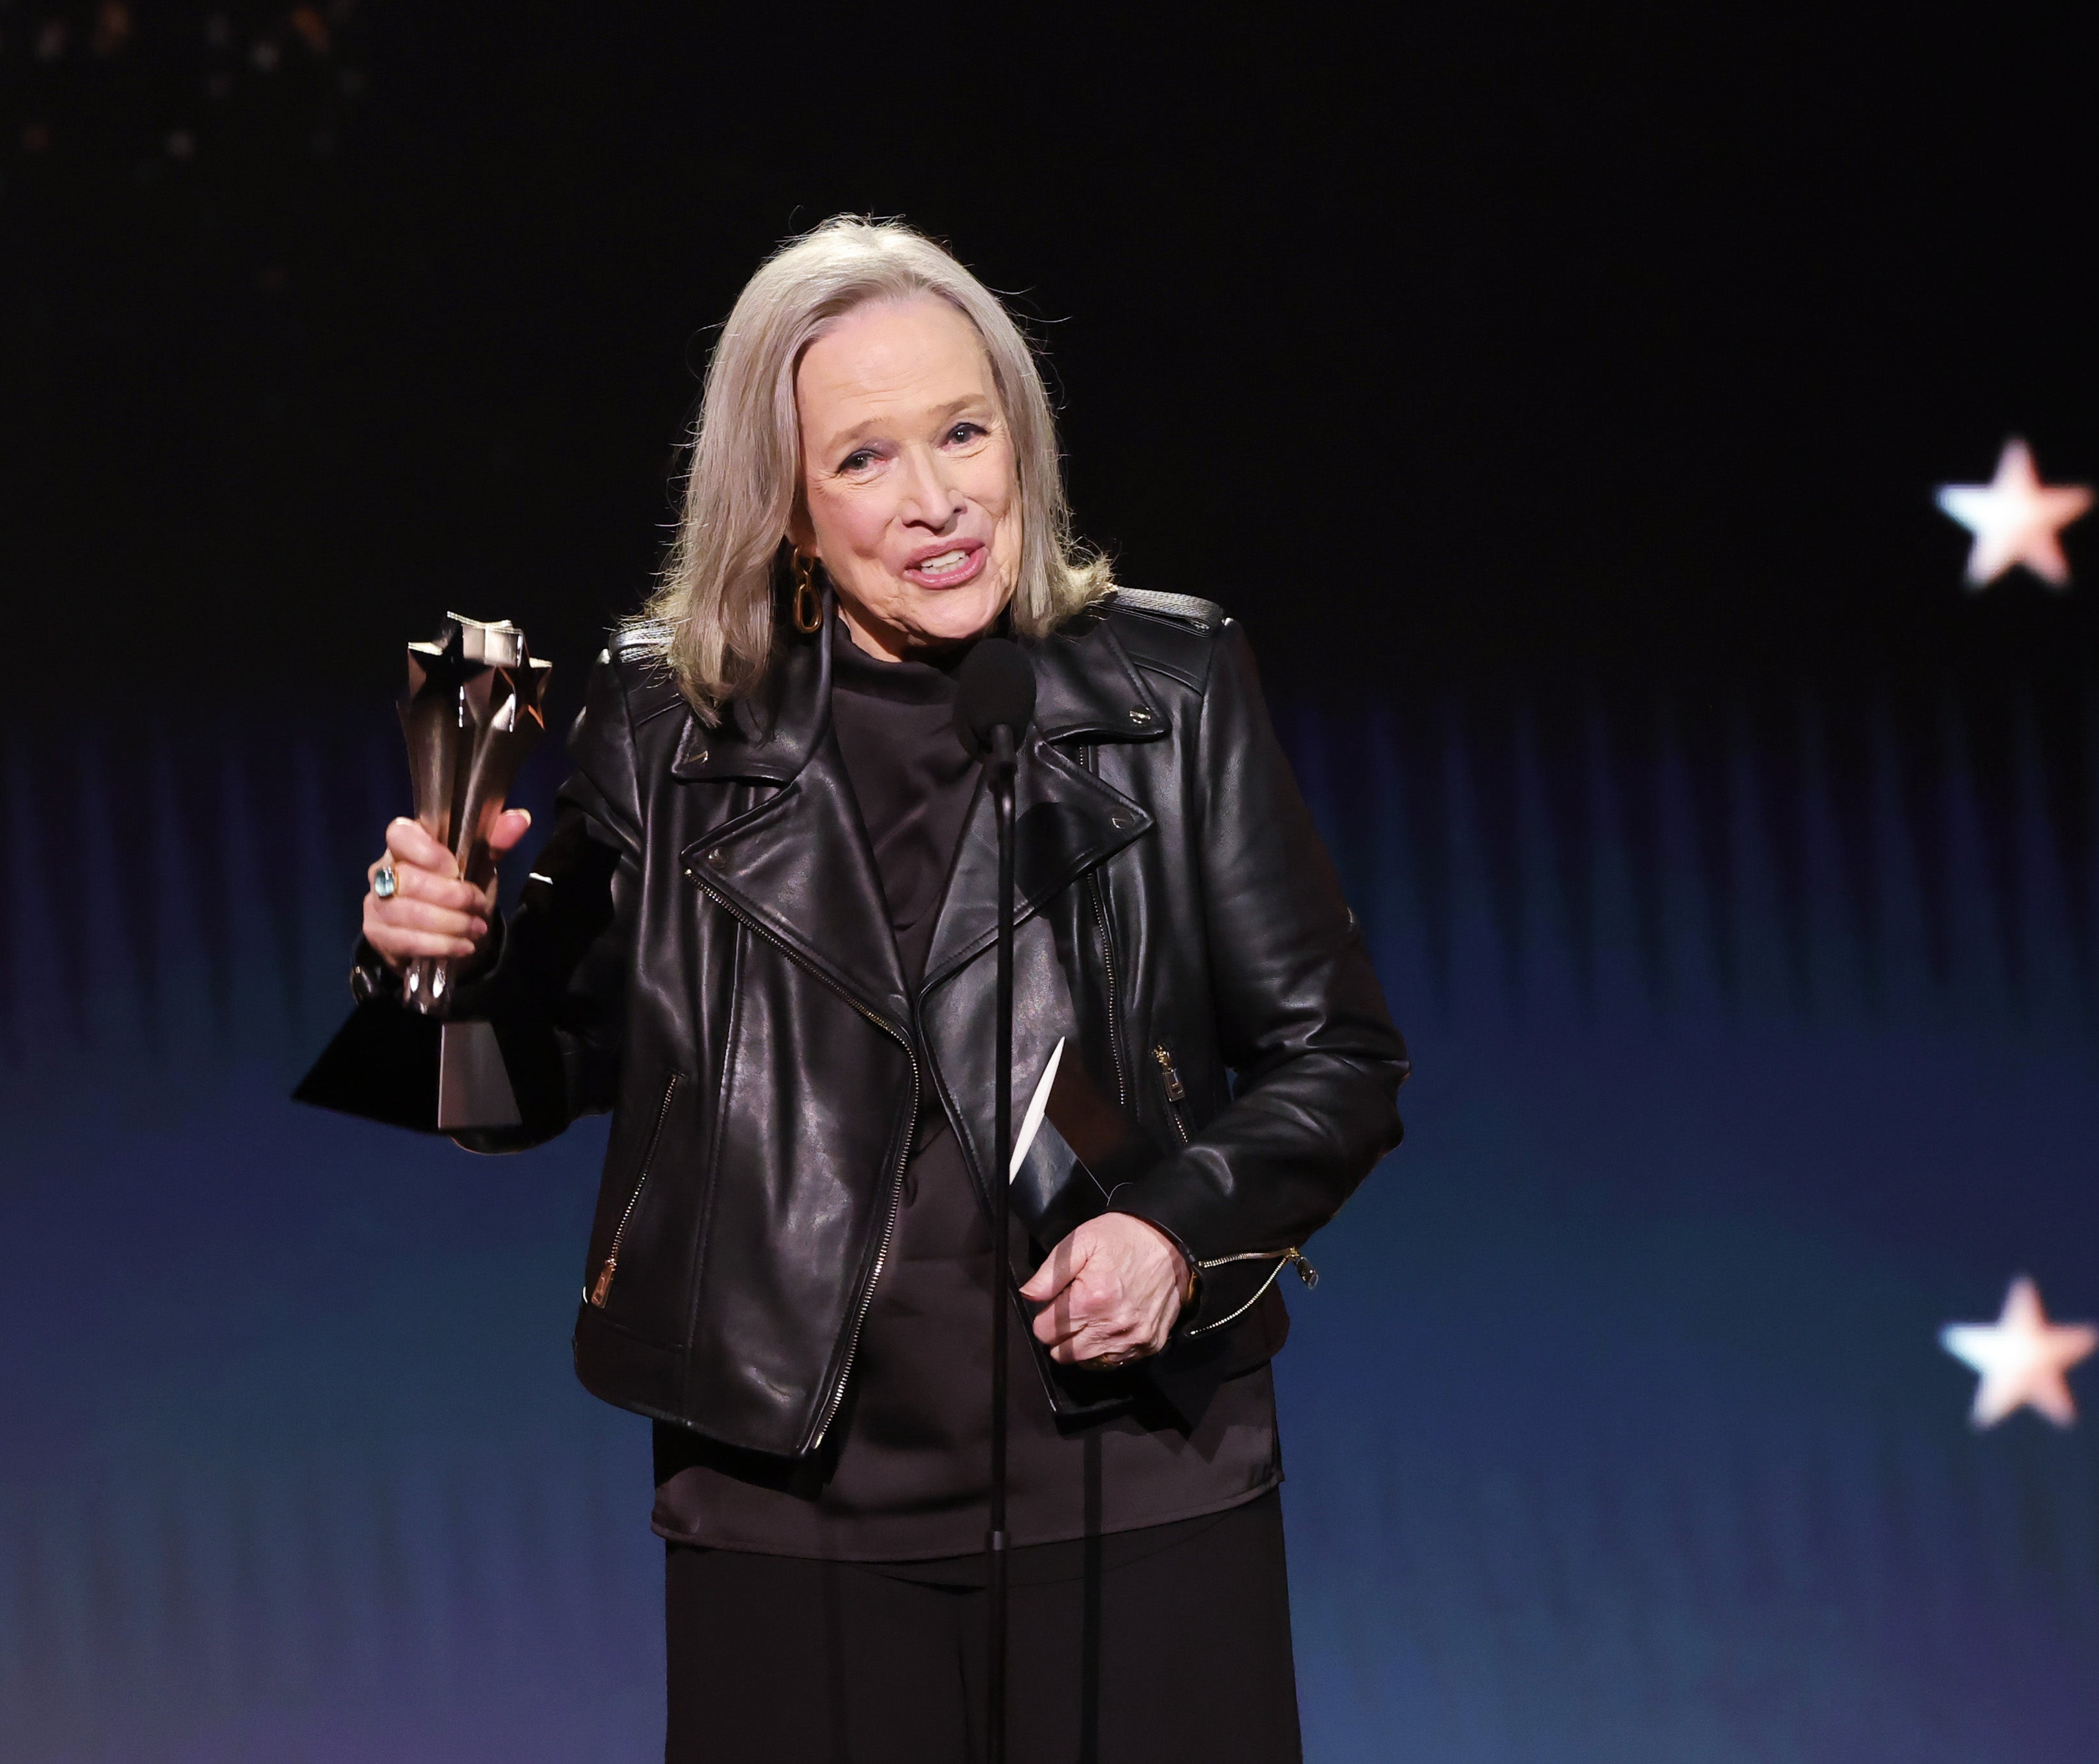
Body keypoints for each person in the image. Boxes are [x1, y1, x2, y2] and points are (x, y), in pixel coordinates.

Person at [333, 217, 1407, 1761]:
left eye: (965, 433)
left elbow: (1341, 1056)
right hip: (793, 1515)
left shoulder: (1168, 691)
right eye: (866, 460)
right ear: (781, 508)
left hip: (1136, 1486)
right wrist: (415, 963)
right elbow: (508, 1096)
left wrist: (1177, 1229)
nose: (939, 501)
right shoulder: (665, 729)